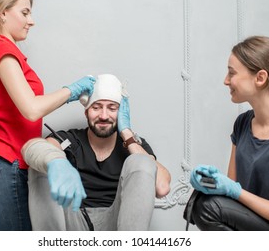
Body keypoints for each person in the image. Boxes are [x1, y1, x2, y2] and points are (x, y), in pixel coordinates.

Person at [0, 0, 96, 231]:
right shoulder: (3, 49)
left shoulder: (0, 49)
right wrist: (73, 90)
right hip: (1, 165)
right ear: (3, 13)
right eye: (25, 13)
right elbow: (32, 109)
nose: (31, 21)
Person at [188, 36, 269, 230]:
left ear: (260, 78)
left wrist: (233, 191)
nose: (225, 81)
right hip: (254, 226)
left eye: (232, 73)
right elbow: (232, 193)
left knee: (208, 208)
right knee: (203, 203)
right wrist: (211, 183)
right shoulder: (243, 123)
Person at [22, 74, 171, 230]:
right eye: (96, 107)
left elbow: (162, 187)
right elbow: (31, 148)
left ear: (121, 115)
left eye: (112, 108)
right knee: (42, 162)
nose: (104, 116)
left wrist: (127, 133)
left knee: (141, 160)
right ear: (86, 112)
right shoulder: (70, 139)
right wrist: (55, 161)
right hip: (73, 223)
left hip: (118, 224)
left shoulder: (133, 145)